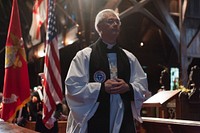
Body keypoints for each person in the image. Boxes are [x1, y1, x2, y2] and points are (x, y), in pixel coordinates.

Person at [65, 9, 150, 133]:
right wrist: (101, 88)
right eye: (110, 21)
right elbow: (73, 87)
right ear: (99, 27)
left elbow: (143, 87)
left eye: (117, 22)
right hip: (95, 116)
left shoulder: (129, 58)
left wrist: (128, 88)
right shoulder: (84, 56)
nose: (115, 24)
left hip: (122, 116)